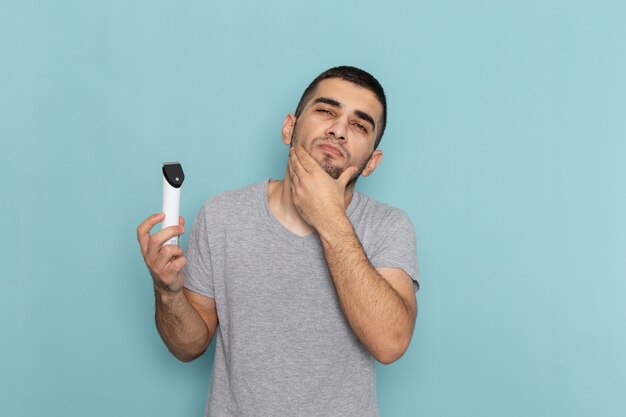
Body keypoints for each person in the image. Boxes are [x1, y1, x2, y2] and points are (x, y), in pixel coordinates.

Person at [137, 66, 419, 417]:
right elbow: (188, 346)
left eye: (360, 125)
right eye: (326, 111)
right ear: (289, 128)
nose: (339, 129)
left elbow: (390, 343)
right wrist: (168, 292)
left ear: (372, 162)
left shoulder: (388, 226)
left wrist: (328, 216)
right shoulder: (222, 214)